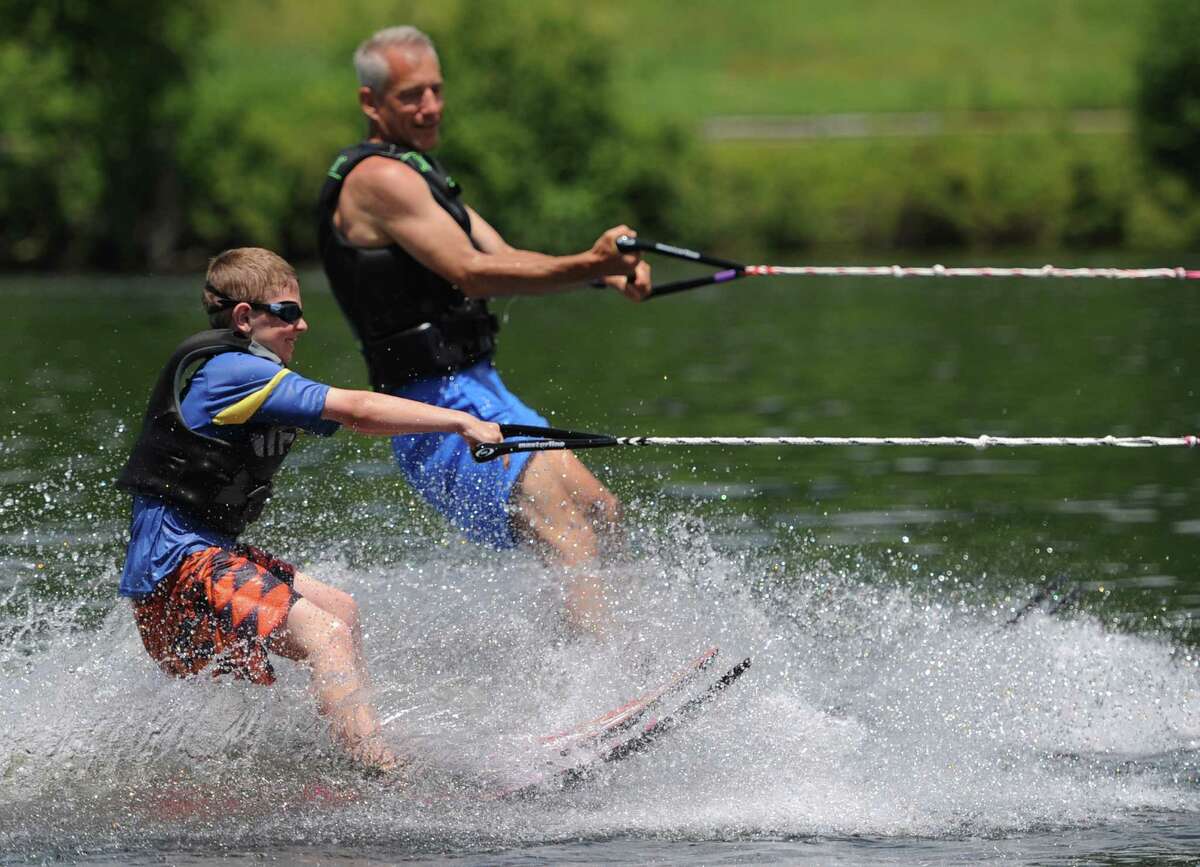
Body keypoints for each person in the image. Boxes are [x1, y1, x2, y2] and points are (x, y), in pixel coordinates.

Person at [117, 247, 502, 774]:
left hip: (203, 557)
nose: (303, 324)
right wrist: (460, 421)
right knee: (326, 634)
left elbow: (360, 421)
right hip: (175, 568)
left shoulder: (246, 371)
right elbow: (360, 411)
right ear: (244, 317)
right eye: (288, 312)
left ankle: (347, 748)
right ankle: (377, 769)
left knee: (339, 610)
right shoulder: (232, 372)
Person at [317, 26, 652, 630]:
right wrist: (593, 264)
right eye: (410, 96)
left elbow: (502, 253)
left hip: (481, 389)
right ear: (371, 103)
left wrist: (597, 276)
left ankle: (628, 656)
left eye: (436, 90)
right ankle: (604, 686)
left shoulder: (421, 176)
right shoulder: (378, 181)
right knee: (564, 528)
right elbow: (471, 273)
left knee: (603, 512)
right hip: (434, 408)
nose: (430, 107)